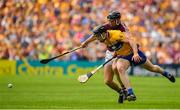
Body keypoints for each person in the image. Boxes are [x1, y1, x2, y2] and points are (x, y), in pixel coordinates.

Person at [85, 25, 175, 101]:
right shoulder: (103, 39)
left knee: (152, 68)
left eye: (99, 36)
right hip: (123, 56)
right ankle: (130, 93)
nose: (98, 38)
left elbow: (131, 41)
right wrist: (115, 53)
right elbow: (116, 46)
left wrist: (135, 53)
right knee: (119, 68)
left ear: (104, 32)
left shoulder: (116, 34)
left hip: (132, 53)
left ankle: (166, 74)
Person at [81, 11, 128, 103]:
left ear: (117, 20)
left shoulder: (123, 28)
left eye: (111, 20)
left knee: (118, 70)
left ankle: (127, 90)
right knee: (107, 81)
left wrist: (122, 51)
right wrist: (86, 42)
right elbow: (96, 34)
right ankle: (121, 92)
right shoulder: (106, 26)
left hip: (121, 53)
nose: (109, 22)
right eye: (109, 20)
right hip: (110, 53)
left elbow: (128, 40)